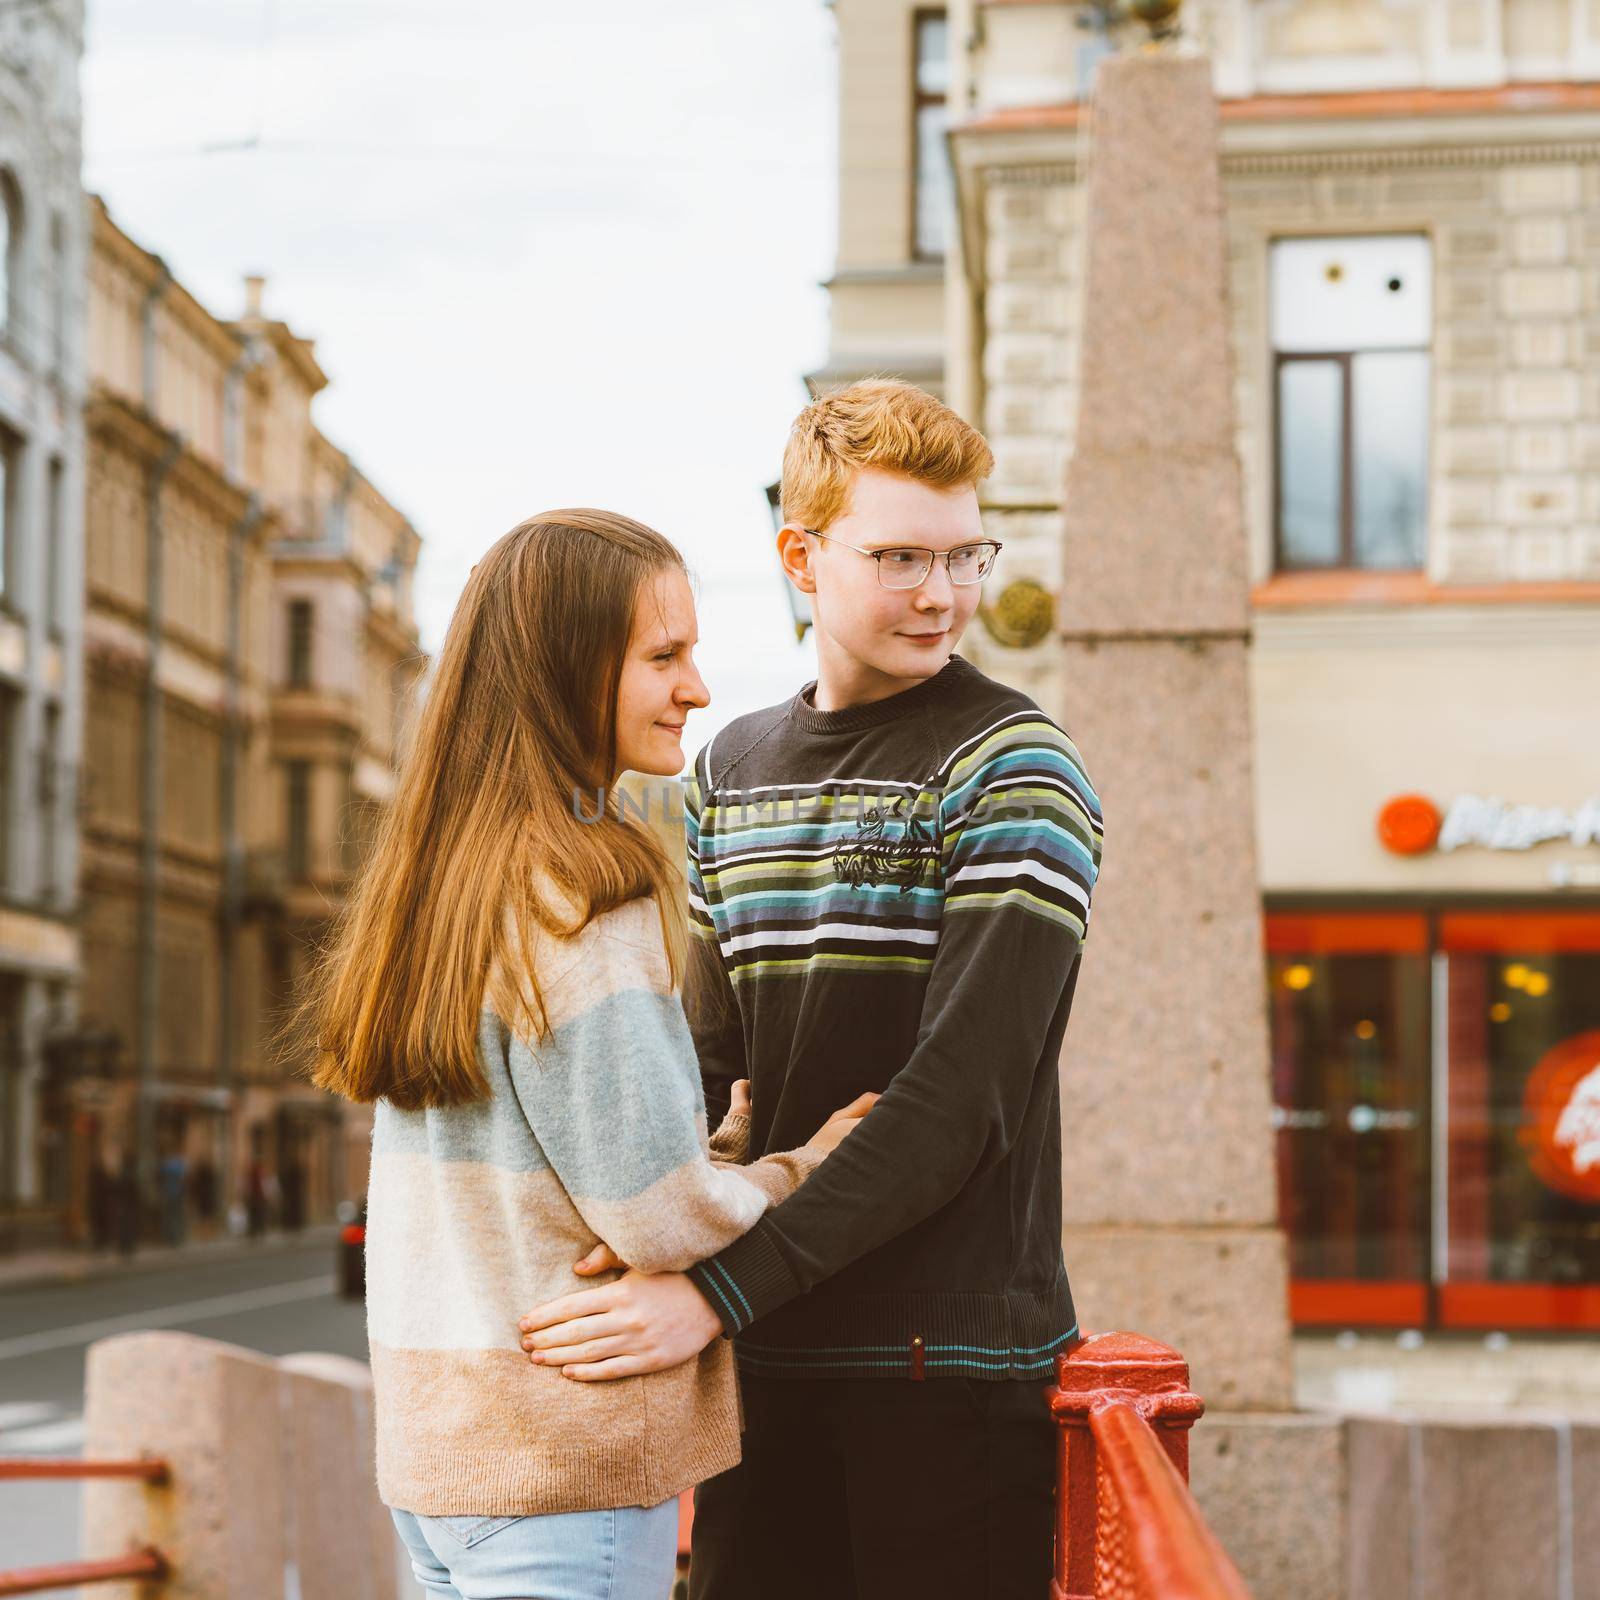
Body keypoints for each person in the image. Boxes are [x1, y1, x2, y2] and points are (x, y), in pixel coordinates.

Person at [519, 382, 1105, 1599]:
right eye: (899, 557)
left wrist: (714, 1290)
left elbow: (962, 1097)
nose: (941, 594)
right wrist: (638, 1231)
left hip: (947, 1372)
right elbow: (710, 1070)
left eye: (963, 555)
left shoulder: (1014, 764)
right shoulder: (729, 766)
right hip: (762, 1366)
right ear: (800, 555)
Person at [302, 509, 876, 1600]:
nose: (697, 689)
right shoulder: (585, 891)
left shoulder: (443, 887)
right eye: (663, 657)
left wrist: (702, 1148)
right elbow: (656, 1215)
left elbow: (558, 1163)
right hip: (563, 1466)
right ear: (567, 670)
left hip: (441, 1471)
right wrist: (802, 1163)